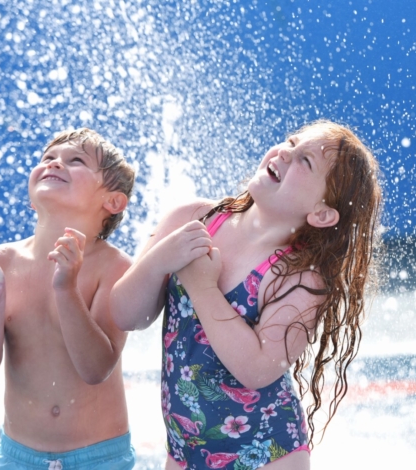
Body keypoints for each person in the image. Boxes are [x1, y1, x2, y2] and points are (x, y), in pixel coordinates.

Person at [112, 119, 381, 470]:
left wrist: (202, 287)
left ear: (322, 213)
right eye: (290, 142)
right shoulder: (192, 219)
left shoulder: (297, 277)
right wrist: (159, 260)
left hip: (265, 452)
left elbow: (257, 370)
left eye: (305, 161)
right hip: (185, 450)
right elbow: (126, 316)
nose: (285, 151)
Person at [0, 128, 137, 469]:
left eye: (75, 160)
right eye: (47, 158)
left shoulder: (114, 268)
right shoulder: (0, 263)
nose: (54, 164)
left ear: (112, 201)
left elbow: (96, 368)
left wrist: (66, 288)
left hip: (98, 458)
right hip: (17, 457)